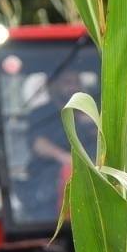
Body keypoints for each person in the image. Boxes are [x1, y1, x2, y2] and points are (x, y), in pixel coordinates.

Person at [20, 67, 87, 217]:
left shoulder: (90, 112)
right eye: (67, 82)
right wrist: (65, 158)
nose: (73, 87)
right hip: (49, 185)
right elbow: (38, 144)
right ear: (53, 86)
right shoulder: (41, 114)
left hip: (89, 180)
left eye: (76, 82)